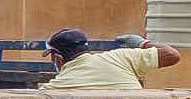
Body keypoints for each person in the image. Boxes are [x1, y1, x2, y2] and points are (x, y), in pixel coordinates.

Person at [39, 28, 181, 90]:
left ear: (58, 58)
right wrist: (141, 43)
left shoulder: (55, 87)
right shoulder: (122, 57)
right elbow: (172, 55)